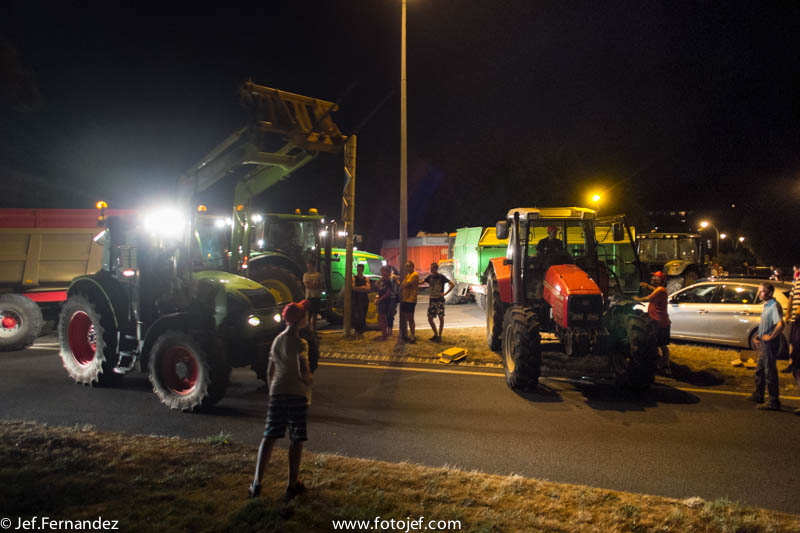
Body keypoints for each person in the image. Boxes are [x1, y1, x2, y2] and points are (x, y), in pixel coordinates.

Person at [248, 302, 313, 501]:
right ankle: (292, 484)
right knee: (296, 438)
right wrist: (309, 380)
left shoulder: (277, 340)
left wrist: (273, 391)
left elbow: (270, 371)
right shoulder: (301, 343)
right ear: (301, 320)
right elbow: (303, 372)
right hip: (296, 394)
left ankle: (256, 483)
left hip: (277, 392)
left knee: (269, 436)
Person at [748, 282, 785, 411]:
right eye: (759, 291)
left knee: (770, 371)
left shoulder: (774, 306)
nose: (759, 294)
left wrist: (770, 337)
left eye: (762, 291)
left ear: (770, 293)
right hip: (764, 343)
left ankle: (774, 401)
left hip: (770, 344)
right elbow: (766, 324)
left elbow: (780, 325)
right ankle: (758, 395)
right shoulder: (766, 305)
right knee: (760, 369)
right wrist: (758, 336)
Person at [634, 271, 672, 374]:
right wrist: (648, 286)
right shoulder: (659, 289)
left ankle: (666, 366)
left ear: (659, 280)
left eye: (655, 277)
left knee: (662, 345)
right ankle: (658, 364)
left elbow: (649, 298)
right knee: (656, 344)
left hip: (660, 322)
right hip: (657, 321)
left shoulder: (660, 291)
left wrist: (636, 299)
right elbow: (655, 289)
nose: (652, 278)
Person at [424, 262, 453, 342]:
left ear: (436, 269)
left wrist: (445, 293)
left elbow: (452, 284)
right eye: (431, 268)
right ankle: (436, 334)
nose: (431, 269)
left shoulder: (441, 277)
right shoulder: (430, 277)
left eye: (432, 268)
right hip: (432, 299)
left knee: (441, 318)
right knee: (430, 318)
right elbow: (421, 282)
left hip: (439, 300)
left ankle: (439, 335)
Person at [399, 261, 420, 343]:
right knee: (407, 317)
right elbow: (402, 284)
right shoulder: (408, 275)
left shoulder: (414, 275)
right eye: (406, 266)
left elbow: (406, 284)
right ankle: (408, 334)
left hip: (411, 299)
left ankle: (413, 336)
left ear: (412, 267)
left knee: (410, 318)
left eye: (407, 266)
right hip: (406, 299)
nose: (406, 268)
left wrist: (401, 287)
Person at [302, 261, 323, 335]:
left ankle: (314, 331)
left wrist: (312, 285)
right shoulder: (305, 275)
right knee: (308, 314)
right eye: (308, 267)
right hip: (309, 297)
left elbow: (321, 284)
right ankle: (308, 331)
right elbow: (307, 285)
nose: (309, 268)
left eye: (310, 266)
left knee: (315, 314)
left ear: (313, 266)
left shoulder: (318, 275)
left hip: (316, 296)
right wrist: (315, 285)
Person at [375, 266, 394, 340]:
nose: (383, 273)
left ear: (388, 272)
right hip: (381, 300)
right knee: (382, 317)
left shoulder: (388, 281)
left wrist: (380, 299)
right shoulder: (383, 280)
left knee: (381, 317)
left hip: (385, 301)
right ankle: (384, 334)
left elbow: (388, 293)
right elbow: (376, 284)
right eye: (382, 271)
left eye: (384, 271)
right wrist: (381, 279)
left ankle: (384, 335)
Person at [351, 263, 370, 338]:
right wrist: (362, 288)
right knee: (356, 315)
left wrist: (358, 288)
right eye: (358, 269)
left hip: (364, 299)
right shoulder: (354, 278)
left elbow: (368, 288)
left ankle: (361, 332)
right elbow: (353, 288)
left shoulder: (366, 278)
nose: (358, 271)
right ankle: (357, 331)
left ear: (362, 270)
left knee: (363, 315)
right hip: (356, 299)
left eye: (360, 269)